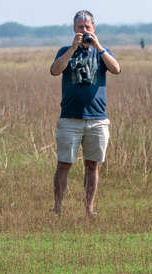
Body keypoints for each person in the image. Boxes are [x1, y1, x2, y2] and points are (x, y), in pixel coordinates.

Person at [50, 10, 121, 216]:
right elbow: (55, 71)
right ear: (74, 29)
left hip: (97, 118)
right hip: (70, 118)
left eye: (87, 27)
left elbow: (116, 69)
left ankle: (89, 209)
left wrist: (98, 46)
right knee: (64, 163)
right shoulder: (65, 50)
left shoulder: (101, 51)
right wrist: (73, 48)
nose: (84, 30)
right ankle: (57, 209)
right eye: (80, 27)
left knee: (93, 165)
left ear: (94, 28)